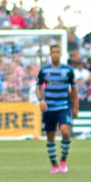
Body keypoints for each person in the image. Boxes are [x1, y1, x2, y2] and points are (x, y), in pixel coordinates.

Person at [36, 44, 78, 174]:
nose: (55, 54)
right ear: (50, 54)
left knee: (65, 132)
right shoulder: (44, 71)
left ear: (61, 54)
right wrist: (41, 100)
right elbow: (38, 87)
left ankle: (64, 161)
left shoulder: (68, 70)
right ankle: (54, 164)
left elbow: (74, 89)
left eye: (57, 52)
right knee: (50, 136)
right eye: (53, 52)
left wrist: (76, 106)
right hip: (49, 108)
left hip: (63, 106)